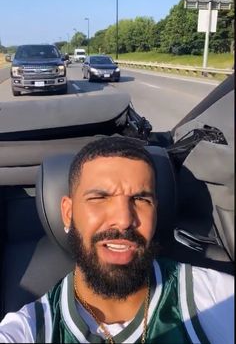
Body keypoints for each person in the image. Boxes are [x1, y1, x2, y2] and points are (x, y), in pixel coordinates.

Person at [0, 137, 234, 343]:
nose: (123, 220)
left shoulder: (216, 297)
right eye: (100, 197)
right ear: (68, 213)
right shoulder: (31, 329)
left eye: (141, 199)